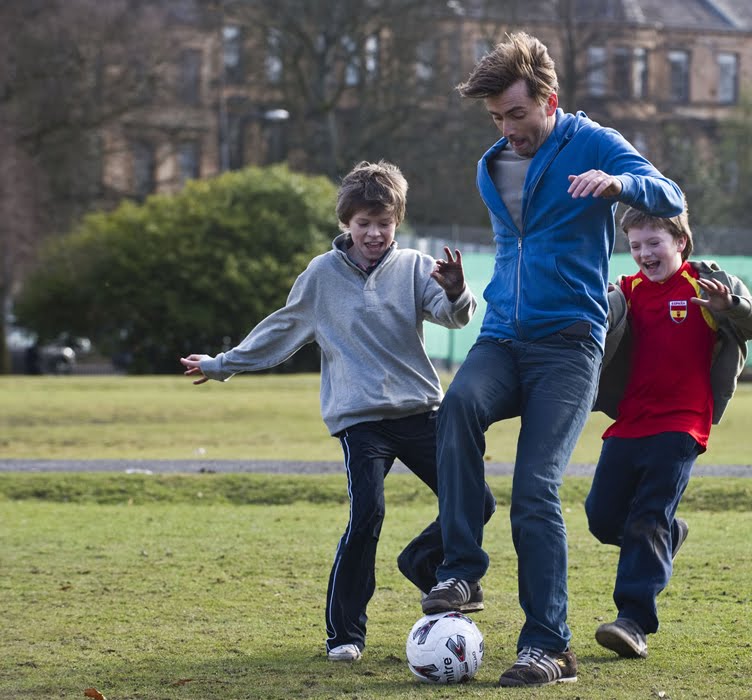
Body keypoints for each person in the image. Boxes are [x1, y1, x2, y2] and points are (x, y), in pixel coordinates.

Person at [418, 32, 686, 687]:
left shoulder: (591, 143)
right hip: (503, 337)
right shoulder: (493, 164)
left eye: (516, 114)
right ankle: (460, 570)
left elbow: (669, 195)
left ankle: (549, 648)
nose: (508, 129)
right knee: (456, 408)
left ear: (548, 101)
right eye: (496, 118)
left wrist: (620, 183)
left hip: (568, 344)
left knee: (534, 491)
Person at [178, 160, 495, 664]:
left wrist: (457, 288)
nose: (374, 233)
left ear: (397, 222)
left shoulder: (414, 265)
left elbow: (453, 317)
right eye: (363, 223)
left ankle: (420, 561)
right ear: (346, 222)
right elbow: (283, 329)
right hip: (360, 420)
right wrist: (222, 364)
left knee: (476, 503)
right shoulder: (322, 275)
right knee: (367, 514)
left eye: (384, 223)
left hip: (419, 412)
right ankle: (345, 634)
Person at [587, 203, 752, 659]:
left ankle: (633, 621)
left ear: (680, 243)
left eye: (655, 243)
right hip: (630, 421)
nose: (644, 253)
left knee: (648, 514)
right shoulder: (624, 291)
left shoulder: (707, 284)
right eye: (635, 245)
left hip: (682, 422)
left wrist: (731, 306)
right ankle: (668, 535)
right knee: (602, 518)